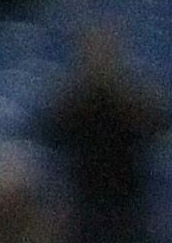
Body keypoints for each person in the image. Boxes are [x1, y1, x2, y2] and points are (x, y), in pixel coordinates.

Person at [32, 25, 167, 243]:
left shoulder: (131, 99)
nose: (100, 59)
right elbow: (48, 132)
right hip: (82, 206)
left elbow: (158, 126)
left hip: (128, 206)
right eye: (94, 52)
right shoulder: (73, 101)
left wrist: (123, 97)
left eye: (106, 52)